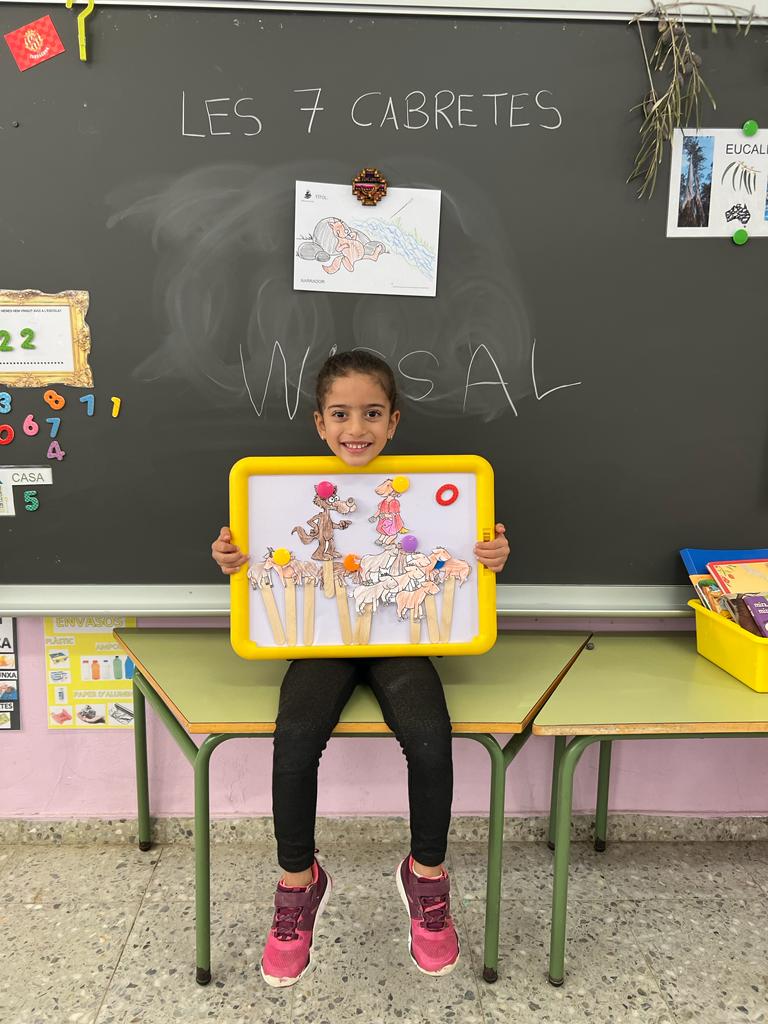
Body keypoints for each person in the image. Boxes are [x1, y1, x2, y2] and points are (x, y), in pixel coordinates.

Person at [211, 350, 509, 988]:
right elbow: (266, 559)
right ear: (319, 423)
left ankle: (426, 875)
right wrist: (235, 559)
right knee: (294, 740)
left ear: (394, 421)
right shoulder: (278, 494)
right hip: (322, 643)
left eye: (372, 413)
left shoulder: (434, 491)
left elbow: (458, 552)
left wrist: (489, 554)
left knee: (430, 739)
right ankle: (298, 882)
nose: (356, 428)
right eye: (341, 414)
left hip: (401, 641)